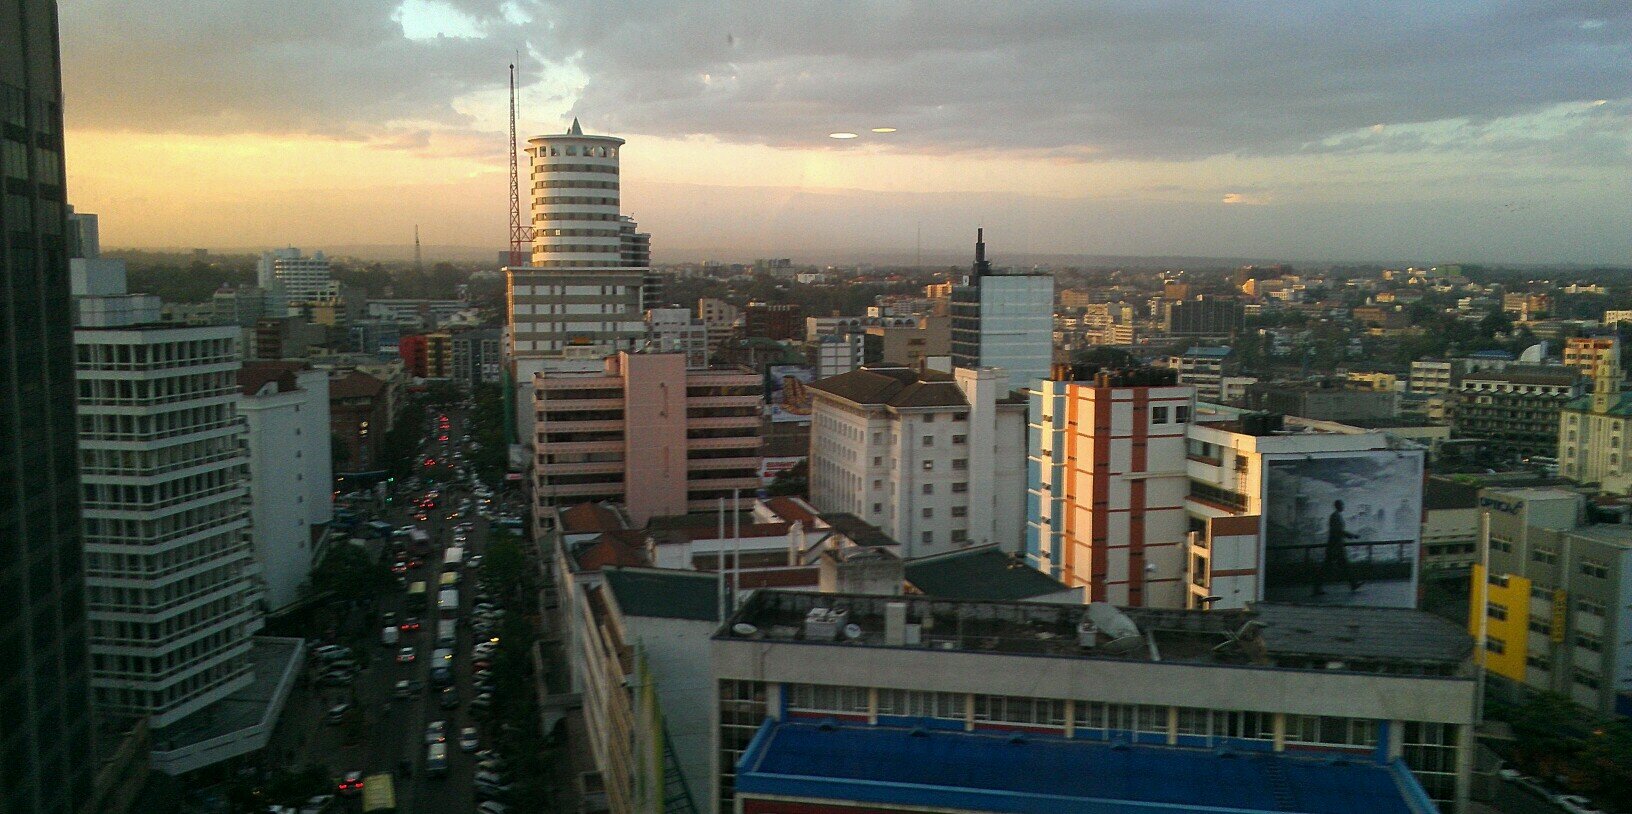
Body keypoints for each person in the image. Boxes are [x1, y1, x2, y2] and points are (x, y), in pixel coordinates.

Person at [1313, 499, 1362, 596]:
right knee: (1329, 567)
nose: (1343, 506)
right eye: (1342, 505)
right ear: (1338, 506)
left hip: (1336, 546)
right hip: (1335, 547)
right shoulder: (1335, 517)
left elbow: (1338, 531)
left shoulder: (1336, 516)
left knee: (1341, 566)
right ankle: (1317, 587)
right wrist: (1352, 535)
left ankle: (1353, 584)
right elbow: (1338, 531)